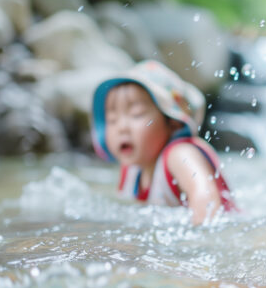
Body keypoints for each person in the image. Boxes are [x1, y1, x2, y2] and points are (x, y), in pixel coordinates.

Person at [91, 60, 237, 224]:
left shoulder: (180, 154)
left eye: (136, 114)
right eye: (112, 119)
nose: (122, 128)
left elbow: (205, 199)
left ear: (173, 123)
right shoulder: (131, 169)